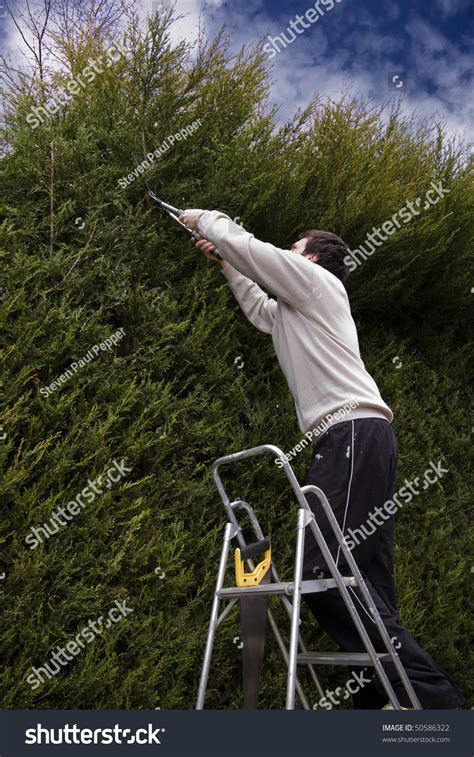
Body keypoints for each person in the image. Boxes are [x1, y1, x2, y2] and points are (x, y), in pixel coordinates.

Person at [179, 208, 466, 710]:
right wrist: (225, 262)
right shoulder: (299, 308)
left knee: (323, 569)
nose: (288, 251)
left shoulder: (317, 283)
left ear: (311, 258)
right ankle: (387, 707)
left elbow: (255, 253)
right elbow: (260, 310)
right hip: (355, 437)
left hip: (351, 433)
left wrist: (207, 219)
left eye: (294, 245)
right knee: (365, 580)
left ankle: (442, 709)